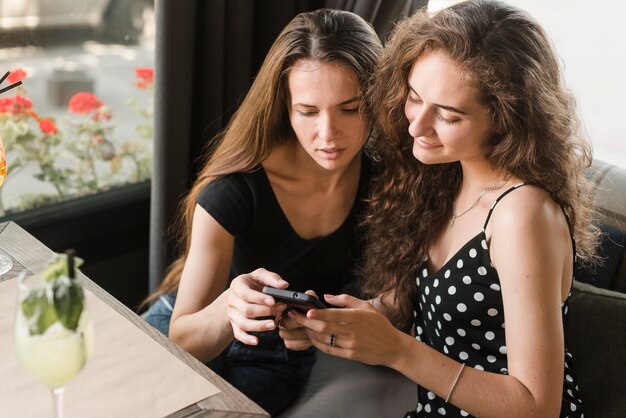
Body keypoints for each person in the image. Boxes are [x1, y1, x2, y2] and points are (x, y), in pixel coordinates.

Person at [279, 1, 601, 417]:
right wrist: (326, 322)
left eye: (447, 116)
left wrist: (397, 351)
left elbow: (537, 406)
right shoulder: (440, 176)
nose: (415, 126)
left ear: (506, 119)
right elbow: (399, 310)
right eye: (415, 98)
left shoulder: (521, 215)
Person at [140, 9, 382, 416]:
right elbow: (182, 337)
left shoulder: (386, 181)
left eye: (350, 108)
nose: (328, 134)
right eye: (307, 111)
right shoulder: (235, 190)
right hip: (194, 325)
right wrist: (228, 307)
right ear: (284, 108)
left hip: (278, 355)